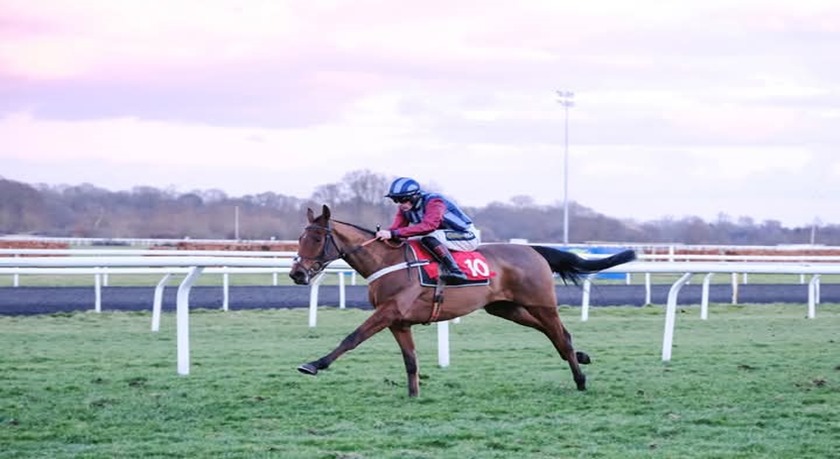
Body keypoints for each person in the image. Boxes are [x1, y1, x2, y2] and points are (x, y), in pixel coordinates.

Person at [375, 177, 480, 283]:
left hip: (466, 235)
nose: (400, 204)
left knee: (428, 237)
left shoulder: (434, 201)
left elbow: (429, 226)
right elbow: (396, 229)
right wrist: (383, 235)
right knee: (409, 239)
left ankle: (456, 272)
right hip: (444, 236)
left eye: (403, 199)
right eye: (395, 200)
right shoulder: (404, 209)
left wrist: (393, 233)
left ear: (415, 196)